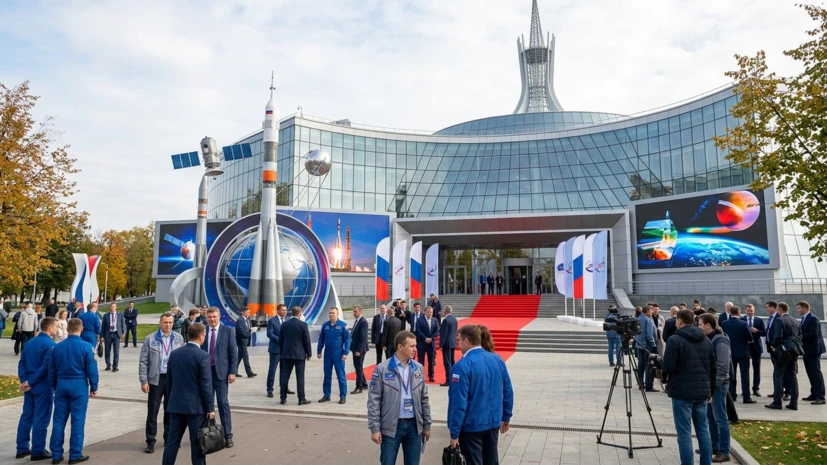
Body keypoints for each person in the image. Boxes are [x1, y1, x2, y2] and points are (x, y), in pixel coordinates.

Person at [447, 325, 514, 465]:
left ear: (466, 341)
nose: (459, 344)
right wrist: (506, 416)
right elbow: (507, 390)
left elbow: (458, 403)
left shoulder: (462, 366)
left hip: (472, 426)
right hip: (492, 422)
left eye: (459, 340)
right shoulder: (497, 360)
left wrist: (454, 433)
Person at [367, 330, 432, 465]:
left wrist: (427, 425)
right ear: (400, 347)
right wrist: (375, 428)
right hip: (391, 427)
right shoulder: (382, 369)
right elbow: (374, 401)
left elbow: (424, 399)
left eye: (415, 346)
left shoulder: (418, 368)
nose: (415, 349)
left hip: (414, 426)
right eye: (411, 346)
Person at [661, 309, 715, 465]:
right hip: (702, 392)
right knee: (703, 431)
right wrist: (710, 391)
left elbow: (668, 366)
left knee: (684, 433)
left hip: (682, 392)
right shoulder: (706, 340)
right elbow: (712, 368)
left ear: (679, 321)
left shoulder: (675, 339)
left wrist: (661, 364)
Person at [162, 322, 215, 465]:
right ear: (201, 336)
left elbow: (169, 380)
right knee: (197, 444)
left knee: (172, 442)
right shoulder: (202, 356)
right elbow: (206, 384)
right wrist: (210, 408)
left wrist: (171, 400)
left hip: (176, 405)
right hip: (195, 408)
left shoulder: (174, 354)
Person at [49, 318, 99, 464]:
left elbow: (51, 369)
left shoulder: (57, 347)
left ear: (67, 329)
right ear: (81, 328)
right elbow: (92, 370)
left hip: (61, 384)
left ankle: (56, 454)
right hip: (79, 385)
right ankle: (75, 454)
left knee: (58, 421)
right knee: (78, 420)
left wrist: (54, 385)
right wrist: (94, 386)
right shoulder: (87, 347)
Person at [139, 312, 185, 454]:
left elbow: (183, 360)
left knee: (170, 411)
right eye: (165, 322)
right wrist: (144, 380)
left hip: (173, 379)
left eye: (170, 322)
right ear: (160, 323)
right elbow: (143, 361)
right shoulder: (150, 338)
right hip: (156, 379)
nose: (168, 325)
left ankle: (168, 439)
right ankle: (150, 441)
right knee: (152, 412)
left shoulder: (178, 338)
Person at [16, 317, 57, 461]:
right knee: (41, 417)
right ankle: (38, 450)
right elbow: (45, 367)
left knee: (27, 415)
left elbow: (22, 363)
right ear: (50, 328)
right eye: (56, 327)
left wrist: (24, 381)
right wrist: (31, 382)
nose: (57, 329)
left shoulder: (30, 342)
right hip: (42, 385)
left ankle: (22, 448)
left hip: (29, 384)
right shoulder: (51, 345)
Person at [200, 307, 237, 447]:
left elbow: (233, 352)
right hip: (205, 373)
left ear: (219, 316)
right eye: (209, 317)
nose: (212, 319)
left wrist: (232, 372)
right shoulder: (203, 330)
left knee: (222, 403)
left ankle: (228, 435)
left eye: (214, 317)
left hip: (221, 373)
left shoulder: (228, 331)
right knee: (206, 404)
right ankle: (208, 433)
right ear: (206, 317)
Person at [699, 314, 731, 462]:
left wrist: (715, 384)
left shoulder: (720, 340)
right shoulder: (710, 339)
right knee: (710, 417)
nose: (699, 327)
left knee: (720, 418)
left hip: (718, 384)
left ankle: (724, 451)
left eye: (700, 324)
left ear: (708, 325)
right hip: (711, 384)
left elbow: (723, 365)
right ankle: (714, 446)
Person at [766, 302, 804, 410]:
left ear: (779, 309)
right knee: (792, 375)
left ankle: (777, 402)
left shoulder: (779, 320)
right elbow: (800, 335)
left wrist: (773, 345)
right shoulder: (795, 320)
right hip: (794, 350)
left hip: (783, 351)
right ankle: (794, 403)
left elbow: (778, 336)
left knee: (778, 375)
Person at [720, 306, 754, 404]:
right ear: (739, 313)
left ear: (730, 313)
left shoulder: (724, 323)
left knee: (731, 375)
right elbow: (750, 337)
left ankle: (732, 396)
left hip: (730, 352)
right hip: (743, 352)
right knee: (745, 375)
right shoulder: (743, 324)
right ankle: (746, 397)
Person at [279, 306, 312, 405]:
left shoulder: (284, 325)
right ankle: (301, 398)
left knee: (285, 376)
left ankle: (283, 398)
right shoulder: (303, 325)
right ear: (300, 314)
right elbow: (307, 340)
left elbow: (281, 340)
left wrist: (282, 352)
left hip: (286, 354)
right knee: (300, 377)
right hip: (299, 355)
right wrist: (309, 354)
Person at [317, 307, 351, 404]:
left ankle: (343, 396)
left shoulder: (343, 325)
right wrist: (319, 351)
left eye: (333, 313)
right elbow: (321, 339)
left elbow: (347, 339)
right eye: (330, 313)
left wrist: (346, 352)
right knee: (327, 375)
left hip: (338, 353)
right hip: (328, 353)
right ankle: (326, 395)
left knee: (341, 375)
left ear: (337, 314)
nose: (331, 315)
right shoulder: (325, 325)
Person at [797, 301, 825, 405]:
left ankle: (821, 396)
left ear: (804, 308)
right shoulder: (804, 318)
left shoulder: (813, 318)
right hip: (807, 350)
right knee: (810, 372)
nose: (797, 310)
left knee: (816, 373)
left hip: (813, 350)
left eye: (799, 308)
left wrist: (800, 336)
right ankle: (814, 393)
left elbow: (814, 333)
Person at [742, 304, 765, 398]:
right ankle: (745, 390)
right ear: (745, 311)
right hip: (745, 347)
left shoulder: (759, 320)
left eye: (751, 310)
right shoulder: (742, 320)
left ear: (754, 310)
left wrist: (757, 331)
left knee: (757, 369)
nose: (750, 312)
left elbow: (764, 333)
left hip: (756, 347)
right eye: (748, 310)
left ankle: (756, 388)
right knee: (745, 369)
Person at [266, 304, 288, 398]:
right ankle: (270, 389)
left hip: (285, 350)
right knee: (272, 370)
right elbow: (269, 333)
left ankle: (284, 388)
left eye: (286, 310)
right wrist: (279, 340)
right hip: (275, 349)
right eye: (283, 310)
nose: (285, 312)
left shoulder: (287, 321)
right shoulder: (272, 320)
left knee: (284, 370)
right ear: (278, 311)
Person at [635, 305, 657, 392]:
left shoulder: (638, 318)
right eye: (651, 310)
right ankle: (649, 386)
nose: (652, 312)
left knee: (640, 365)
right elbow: (649, 335)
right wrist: (653, 345)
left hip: (639, 344)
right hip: (647, 346)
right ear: (648, 311)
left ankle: (640, 383)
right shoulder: (648, 320)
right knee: (649, 365)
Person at [414, 306, 439, 382]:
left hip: (431, 343)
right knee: (420, 360)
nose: (429, 313)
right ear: (425, 312)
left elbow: (437, 330)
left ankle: (431, 376)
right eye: (428, 312)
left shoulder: (435, 320)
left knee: (431, 361)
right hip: (422, 343)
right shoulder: (420, 320)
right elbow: (418, 331)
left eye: (431, 312)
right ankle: (420, 376)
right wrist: (425, 338)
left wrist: (431, 338)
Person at [102, 303, 126, 372]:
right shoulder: (106, 315)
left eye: (114, 306)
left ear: (116, 307)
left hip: (116, 334)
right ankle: (108, 365)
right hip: (108, 334)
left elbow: (123, 324)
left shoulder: (120, 315)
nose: (112, 308)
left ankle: (115, 366)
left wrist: (124, 332)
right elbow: (103, 327)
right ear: (109, 307)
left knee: (116, 351)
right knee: (107, 350)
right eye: (111, 306)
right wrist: (101, 336)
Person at [350, 305, 369, 394]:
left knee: (358, 368)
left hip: (359, 349)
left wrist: (359, 350)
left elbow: (363, 337)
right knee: (358, 366)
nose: (354, 313)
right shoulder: (357, 321)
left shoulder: (363, 322)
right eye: (353, 311)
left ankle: (359, 387)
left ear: (360, 311)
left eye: (355, 312)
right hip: (355, 348)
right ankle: (364, 384)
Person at [234, 306, 257, 378]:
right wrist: (250, 331)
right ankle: (249, 372)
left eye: (249, 312)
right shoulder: (239, 320)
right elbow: (241, 332)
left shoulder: (248, 320)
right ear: (242, 312)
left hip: (246, 341)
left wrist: (251, 330)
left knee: (239, 357)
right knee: (245, 357)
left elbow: (247, 329)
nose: (248, 314)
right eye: (247, 312)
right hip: (241, 341)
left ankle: (234, 371)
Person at [439, 305, 458, 386]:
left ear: (445, 311)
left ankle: (449, 380)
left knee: (447, 363)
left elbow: (444, 334)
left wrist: (441, 344)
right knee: (452, 361)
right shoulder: (454, 319)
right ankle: (454, 379)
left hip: (447, 344)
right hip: (453, 343)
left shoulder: (446, 320)